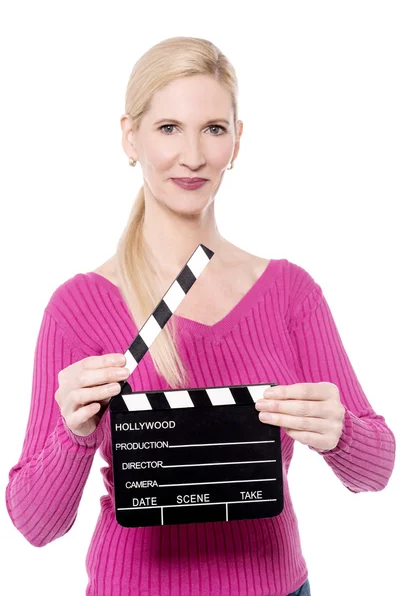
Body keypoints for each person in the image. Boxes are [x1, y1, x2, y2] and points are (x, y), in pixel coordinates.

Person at [5, 36, 396, 596]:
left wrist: (341, 433)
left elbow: (376, 472)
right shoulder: (78, 307)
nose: (191, 155)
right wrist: (73, 433)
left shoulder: (290, 293)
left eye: (213, 128)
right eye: (168, 128)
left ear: (236, 142)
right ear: (129, 136)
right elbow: (36, 525)